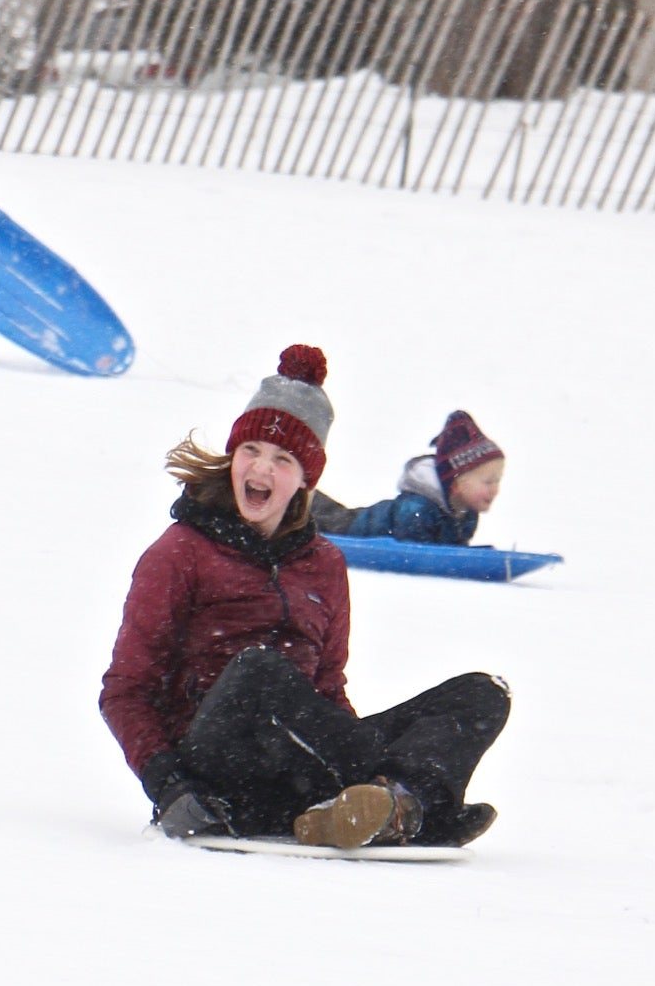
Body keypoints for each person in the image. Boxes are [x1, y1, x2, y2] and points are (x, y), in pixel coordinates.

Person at [100, 345, 510, 849]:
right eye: (250, 451)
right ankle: (415, 801)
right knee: (259, 670)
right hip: (217, 777)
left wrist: (350, 760)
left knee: (480, 693)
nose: (261, 470)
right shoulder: (181, 552)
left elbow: (328, 688)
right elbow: (126, 689)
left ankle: (393, 806)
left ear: (305, 479)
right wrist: (168, 784)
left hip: (300, 768)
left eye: (283, 459)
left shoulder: (324, 565)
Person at [316, 410, 506, 545]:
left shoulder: (467, 514)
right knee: (320, 518)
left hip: (359, 522)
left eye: (497, 481)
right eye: (488, 482)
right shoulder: (417, 509)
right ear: (456, 484)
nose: (496, 490)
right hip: (354, 528)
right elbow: (415, 555)